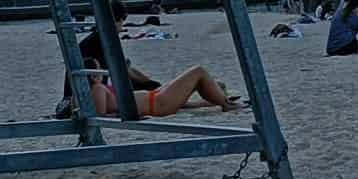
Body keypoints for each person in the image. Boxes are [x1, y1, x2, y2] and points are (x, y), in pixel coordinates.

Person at [66, 35, 240, 119]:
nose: (101, 75)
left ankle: (220, 99)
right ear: (92, 76)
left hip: (154, 98)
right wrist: (132, 116)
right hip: (156, 103)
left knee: (197, 87)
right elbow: (101, 117)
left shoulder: (85, 94)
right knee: (198, 71)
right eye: (98, 72)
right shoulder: (96, 89)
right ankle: (226, 104)